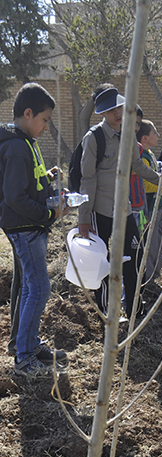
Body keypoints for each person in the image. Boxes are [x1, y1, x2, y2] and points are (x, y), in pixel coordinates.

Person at [78, 86, 162, 320]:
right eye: (111, 110)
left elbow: (139, 167)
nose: (117, 113)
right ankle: (106, 314)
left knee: (135, 257)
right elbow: (87, 179)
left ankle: (134, 309)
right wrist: (84, 219)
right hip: (100, 211)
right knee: (103, 263)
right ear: (103, 113)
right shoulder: (93, 138)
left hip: (124, 210)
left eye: (119, 108)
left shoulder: (128, 137)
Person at [0, 82, 69, 377]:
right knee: (39, 288)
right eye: (44, 120)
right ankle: (25, 358)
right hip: (25, 226)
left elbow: (28, 182)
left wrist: (47, 176)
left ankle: (27, 344)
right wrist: (47, 214)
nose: (45, 126)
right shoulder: (16, 147)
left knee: (31, 287)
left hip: (32, 225)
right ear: (28, 113)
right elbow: (15, 196)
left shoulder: (26, 143)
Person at [137, 119, 162, 281]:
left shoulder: (149, 154)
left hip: (159, 205)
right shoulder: (141, 156)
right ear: (144, 138)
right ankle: (147, 279)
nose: (158, 135)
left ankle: (154, 275)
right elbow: (145, 185)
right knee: (151, 245)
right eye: (154, 133)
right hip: (149, 206)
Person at [130, 105, 148, 236]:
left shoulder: (138, 148)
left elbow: (140, 178)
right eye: (133, 123)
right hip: (122, 208)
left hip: (138, 204)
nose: (136, 128)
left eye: (138, 124)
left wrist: (144, 210)